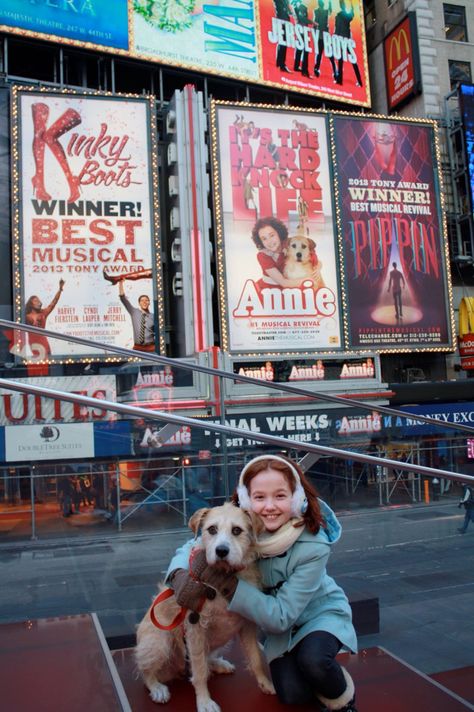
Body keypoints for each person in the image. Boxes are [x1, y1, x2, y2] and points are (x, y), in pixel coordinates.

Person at [167, 454, 358, 711]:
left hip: (316, 616)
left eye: (280, 496)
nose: (269, 506)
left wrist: (228, 585)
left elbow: (281, 616)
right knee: (291, 694)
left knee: (314, 661)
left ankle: (344, 700)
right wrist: (177, 574)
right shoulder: (240, 523)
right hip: (279, 630)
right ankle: (313, 677)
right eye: (259, 497)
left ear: (296, 498)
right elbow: (195, 544)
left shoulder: (313, 546)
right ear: (246, 501)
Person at [251, 217, 320, 291]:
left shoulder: (287, 244)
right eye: (264, 239)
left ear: (279, 233)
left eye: (272, 235)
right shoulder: (263, 256)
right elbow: (284, 282)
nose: (269, 241)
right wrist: (309, 280)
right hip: (269, 289)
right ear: (260, 241)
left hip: (290, 286)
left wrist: (318, 268)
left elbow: (311, 256)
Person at [24, 279, 65, 358]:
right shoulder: (26, 315)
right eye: (36, 300)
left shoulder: (43, 313)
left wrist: (60, 290)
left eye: (39, 301)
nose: (38, 302)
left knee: (47, 362)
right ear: (31, 303)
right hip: (34, 343)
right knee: (37, 363)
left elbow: (54, 302)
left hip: (43, 342)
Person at [117, 279, 155, 352]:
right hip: (138, 348)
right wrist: (120, 284)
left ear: (149, 303)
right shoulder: (134, 312)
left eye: (146, 300)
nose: (144, 302)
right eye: (142, 300)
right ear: (139, 303)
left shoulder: (153, 316)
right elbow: (123, 298)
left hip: (151, 348)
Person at [334, 0, 363, 88]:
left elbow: (337, 29)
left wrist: (335, 39)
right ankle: (360, 81)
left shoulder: (338, 15)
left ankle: (339, 81)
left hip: (341, 40)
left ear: (340, 5)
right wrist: (352, 8)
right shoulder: (346, 15)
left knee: (340, 61)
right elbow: (352, 15)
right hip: (347, 39)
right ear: (343, 5)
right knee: (353, 61)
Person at [313, 0, 338, 81]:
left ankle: (334, 71)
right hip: (322, 36)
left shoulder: (321, 11)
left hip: (323, 36)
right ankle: (333, 72)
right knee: (324, 55)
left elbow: (315, 23)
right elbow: (315, 23)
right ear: (321, 4)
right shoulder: (318, 11)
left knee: (324, 55)